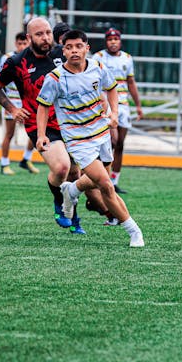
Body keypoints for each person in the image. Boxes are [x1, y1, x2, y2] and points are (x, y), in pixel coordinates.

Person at [38, 29, 145, 248]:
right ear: (63, 50)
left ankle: (72, 189)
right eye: (69, 47)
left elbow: (112, 88)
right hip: (77, 139)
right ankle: (134, 231)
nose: (74, 51)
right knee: (106, 185)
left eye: (79, 46)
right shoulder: (55, 78)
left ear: (87, 48)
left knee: (98, 179)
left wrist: (114, 113)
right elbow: (43, 106)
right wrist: (41, 135)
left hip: (101, 133)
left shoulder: (97, 67)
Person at [0, 17, 88, 234]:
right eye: (39, 34)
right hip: (40, 125)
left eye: (48, 33)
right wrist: (12, 109)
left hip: (70, 122)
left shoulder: (61, 53)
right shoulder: (16, 62)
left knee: (74, 173)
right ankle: (58, 202)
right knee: (61, 167)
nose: (45, 38)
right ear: (28, 38)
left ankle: (74, 217)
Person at [94, 28, 144, 194]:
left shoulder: (127, 58)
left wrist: (138, 105)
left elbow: (131, 82)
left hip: (123, 105)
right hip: (107, 105)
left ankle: (114, 181)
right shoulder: (99, 57)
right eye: (110, 39)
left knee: (120, 144)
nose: (113, 42)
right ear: (106, 42)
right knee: (112, 141)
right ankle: (102, 177)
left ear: (120, 41)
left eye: (116, 39)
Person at [0, 32, 40, 176]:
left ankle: (26, 159)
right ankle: (4, 163)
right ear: (16, 44)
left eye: (25, 43)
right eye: (20, 43)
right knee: (9, 133)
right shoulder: (8, 58)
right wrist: (7, 103)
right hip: (13, 101)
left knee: (36, 132)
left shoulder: (33, 58)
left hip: (28, 101)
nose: (22, 46)